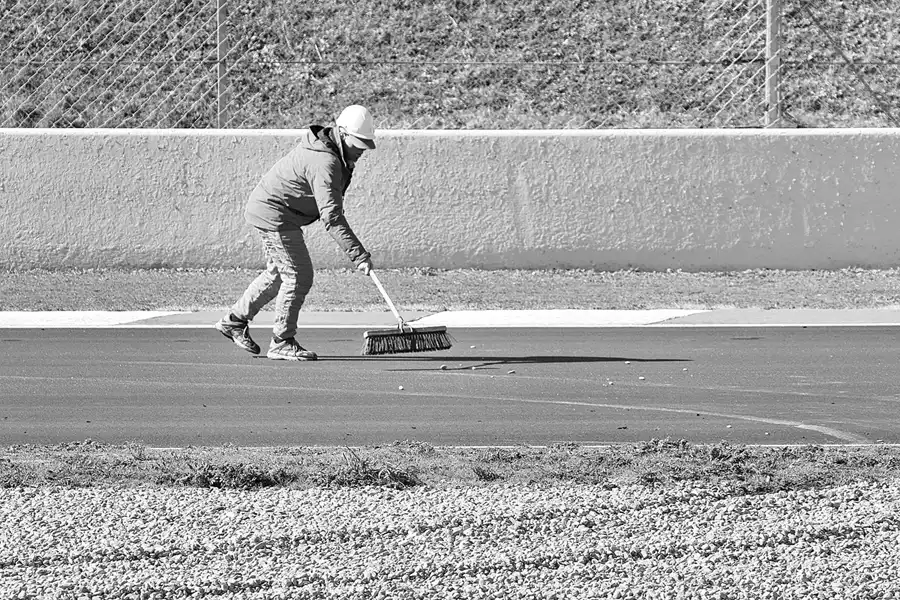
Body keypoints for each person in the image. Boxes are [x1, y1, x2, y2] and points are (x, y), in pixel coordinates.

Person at [215, 104, 376, 361]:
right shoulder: (326, 161)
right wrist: (358, 255)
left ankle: (234, 321)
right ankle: (282, 341)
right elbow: (332, 217)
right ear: (342, 134)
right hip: (275, 215)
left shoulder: (332, 153)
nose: (362, 150)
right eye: (358, 143)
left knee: (279, 273)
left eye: (366, 144)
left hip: (275, 212)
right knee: (299, 275)